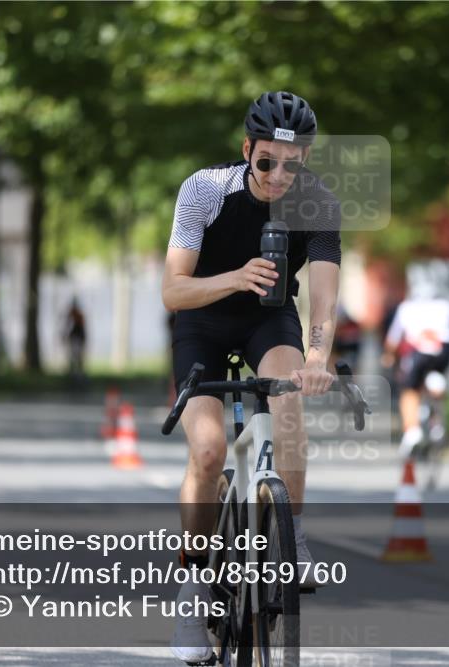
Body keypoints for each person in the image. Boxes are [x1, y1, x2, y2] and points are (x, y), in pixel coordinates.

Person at [162, 91, 341, 664]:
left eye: (293, 163)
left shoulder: (316, 203)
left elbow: (324, 300)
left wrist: (317, 359)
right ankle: (191, 598)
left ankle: (292, 536)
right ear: (247, 151)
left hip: (270, 320)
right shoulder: (205, 190)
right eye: (267, 162)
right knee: (210, 449)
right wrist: (236, 276)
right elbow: (173, 289)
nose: (279, 176)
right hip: (204, 319)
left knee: (288, 411)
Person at [381, 285, 449, 457]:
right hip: (444, 350)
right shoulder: (447, 306)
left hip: (419, 351)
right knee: (436, 378)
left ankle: (412, 431)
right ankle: (437, 423)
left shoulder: (406, 308)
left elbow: (392, 340)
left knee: (409, 391)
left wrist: (388, 356)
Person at [63, 298, 87, 379]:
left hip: (78, 338)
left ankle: (78, 372)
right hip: (75, 338)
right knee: (73, 355)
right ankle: (73, 372)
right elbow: (68, 326)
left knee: (77, 355)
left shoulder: (78, 315)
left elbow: (80, 328)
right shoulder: (72, 314)